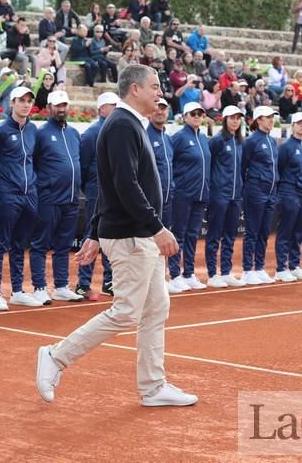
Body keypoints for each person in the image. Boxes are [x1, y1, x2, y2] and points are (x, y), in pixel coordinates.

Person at [36, 63, 197, 407]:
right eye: (155, 86)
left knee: (156, 308)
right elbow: (123, 186)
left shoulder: (129, 125)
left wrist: (94, 233)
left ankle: (153, 387)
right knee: (126, 312)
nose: (160, 92)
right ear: (135, 89)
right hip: (132, 236)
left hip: (136, 235)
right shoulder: (123, 125)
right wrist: (157, 228)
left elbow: (107, 188)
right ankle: (55, 356)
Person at [0, 86, 43, 309]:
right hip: (6, 194)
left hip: (29, 195)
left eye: (29, 101)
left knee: (20, 244)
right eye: (22, 101)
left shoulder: (33, 130)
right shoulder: (0, 131)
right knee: (0, 242)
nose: (26, 104)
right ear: (12, 103)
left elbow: (33, 160)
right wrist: (1, 188)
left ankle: (17, 290)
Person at [29, 90, 84, 304]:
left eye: (64, 105)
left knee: (64, 245)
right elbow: (32, 163)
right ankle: (40, 287)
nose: (61, 109)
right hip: (48, 198)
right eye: (57, 106)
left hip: (71, 199)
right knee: (40, 244)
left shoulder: (74, 133)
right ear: (49, 108)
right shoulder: (41, 133)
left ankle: (61, 285)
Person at [75, 92, 120, 300]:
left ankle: (109, 282)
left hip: (115, 192)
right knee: (92, 234)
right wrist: (92, 186)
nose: (116, 109)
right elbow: (83, 165)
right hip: (96, 191)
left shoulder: (118, 130)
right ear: (101, 109)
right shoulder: (92, 132)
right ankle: (83, 284)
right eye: (112, 106)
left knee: (111, 235)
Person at [167, 102, 211, 292]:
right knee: (179, 234)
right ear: (185, 117)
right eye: (193, 114)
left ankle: (189, 273)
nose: (197, 116)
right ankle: (175, 274)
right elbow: (169, 162)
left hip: (200, 194)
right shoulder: (179, 138)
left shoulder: (202, 138)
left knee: (193, 235)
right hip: (183, 194)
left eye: (200, 114)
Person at [205, 106, 245, 288]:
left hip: (235, 196)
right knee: (214, 234)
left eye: (238, 118)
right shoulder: (217, 141)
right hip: (219, 195)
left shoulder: (239, 142)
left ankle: (226, 271)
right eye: (232, 118)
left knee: (230, 235)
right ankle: (213, 274)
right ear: (225, 119)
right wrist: (213, 188)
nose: (235, 121)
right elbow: (208, 164)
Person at [273, 112, 302, 282]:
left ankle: (294, 265)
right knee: (286, 231)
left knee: (298, 232)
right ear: (292, 126)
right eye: (299, 123)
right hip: (289, 193)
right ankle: (281, 268)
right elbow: (279, 168)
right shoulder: (286, 146)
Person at [241, 106, 278, 285]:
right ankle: (247, 269)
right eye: (267, 117)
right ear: (258, 120)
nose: (271, 120)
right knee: (252, 231)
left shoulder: (272, 141)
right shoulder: (251, 141)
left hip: (271, 192)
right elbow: (243, 167)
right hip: (255, 190)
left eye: (272, 117)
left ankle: (259, 267)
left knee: (264, 231)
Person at [147, 98, 176, 240]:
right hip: (149, 202)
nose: (160, 111)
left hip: (167, 200)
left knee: (164, 242)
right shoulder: (144, 135)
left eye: (163, 108)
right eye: (157, 107)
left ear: (168, 112)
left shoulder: (168, 138)